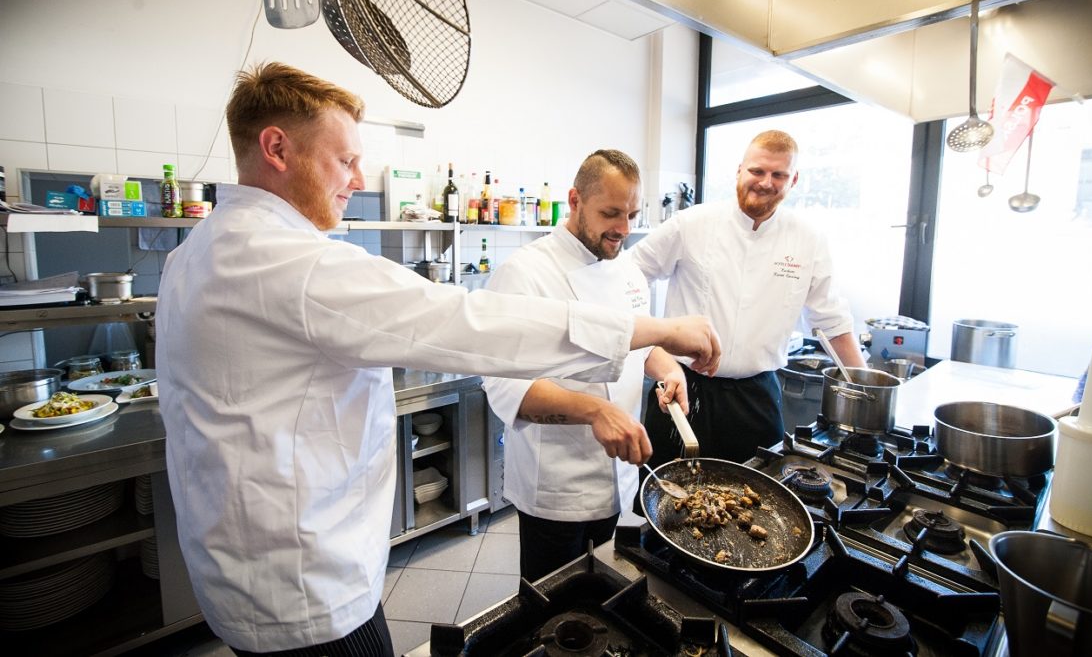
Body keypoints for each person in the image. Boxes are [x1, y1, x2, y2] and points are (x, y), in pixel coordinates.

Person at [154, 62, 720, 657]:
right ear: (277, 148)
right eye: (345, 159)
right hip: (305, 583)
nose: (359, 176)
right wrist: (660, 329)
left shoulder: (200, 250)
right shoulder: (290, 261)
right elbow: (466, 323)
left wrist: (653, 351)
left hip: (256, 562)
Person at [482, 150, 690, 582]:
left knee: (613, 598)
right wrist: (596, 410)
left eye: (632, 214)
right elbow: (505, 387)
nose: (624, 229)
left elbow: (636, 346)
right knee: (555, 617)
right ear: (574, 200)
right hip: (557, 487)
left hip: (623, 481)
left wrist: (669, 368)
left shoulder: (627, 269)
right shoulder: (524, 273)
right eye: (611, 213)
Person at [629, 129, 865, 465]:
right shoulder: (692, 223)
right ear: (739, 170)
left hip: (756, 397)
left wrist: (866, 390)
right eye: (757, 171)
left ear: (793, 179)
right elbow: (628, 277)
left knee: (755, 502)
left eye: (778, 175)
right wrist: (651, 344)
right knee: (668, 500)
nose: (766, 182)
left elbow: (833, 322)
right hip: (682, 386)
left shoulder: (808, 241)